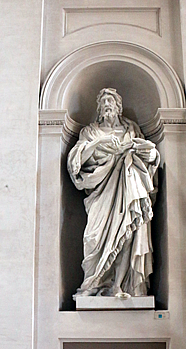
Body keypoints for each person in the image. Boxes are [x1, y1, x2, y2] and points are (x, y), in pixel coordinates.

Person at [67, 88, 160, 299]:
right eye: (104, 102)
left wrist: (147, 152)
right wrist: (100, 143)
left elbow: (150, 157)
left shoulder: (132, 130)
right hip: (101, 193)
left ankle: (119, 285)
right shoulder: (90, 132)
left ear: (118, 107)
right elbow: (76, 160)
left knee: (127, 232)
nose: (107, 104)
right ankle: (92, 283)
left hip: (129, 187)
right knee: (94, 237)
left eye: (111, 101)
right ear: (99, 109)